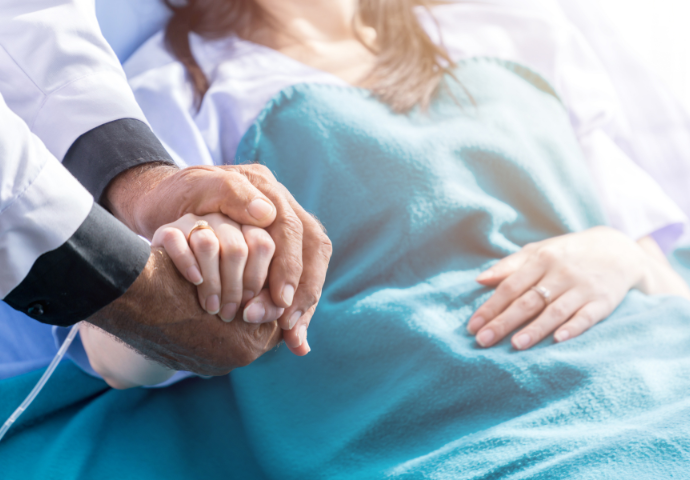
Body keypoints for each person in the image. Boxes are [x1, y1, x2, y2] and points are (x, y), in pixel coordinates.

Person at [6, 0, 690, 478]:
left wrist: (616, 253)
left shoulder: (517, 25)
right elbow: (124, 353)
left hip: (650, 372)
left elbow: (663, 270)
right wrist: (196, 263)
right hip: (443, 429)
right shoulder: (175, 88)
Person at [0, 0, 332, 374]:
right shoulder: (181, 80)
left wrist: (145, 183)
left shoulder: (412, 31)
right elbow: (113, 351)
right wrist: (192, 267)